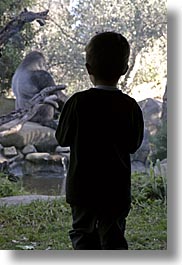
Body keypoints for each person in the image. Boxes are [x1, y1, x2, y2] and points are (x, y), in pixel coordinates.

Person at [55, 31, 144, 250]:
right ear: (124, 70)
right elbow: (133, 145)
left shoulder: (77, 102)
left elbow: (62, 138)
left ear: (88, 69)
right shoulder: (130, 106)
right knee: (114, 235)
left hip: (82, 188)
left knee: (83, 236)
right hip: (116, 189)